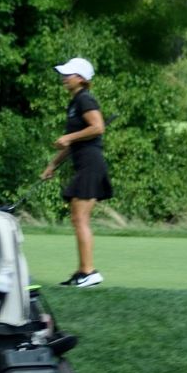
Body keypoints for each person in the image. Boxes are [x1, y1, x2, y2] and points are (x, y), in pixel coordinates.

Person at [40, 56, 110, 288]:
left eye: (68, 74)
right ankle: (83, 272)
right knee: (78, 218)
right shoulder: (74, 103)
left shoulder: (85, 99)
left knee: (79, 218)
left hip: (91, 163)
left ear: (80, 79)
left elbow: (97, 127)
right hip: (84, 162)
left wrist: (69, 137)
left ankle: (89, 272)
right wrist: (52, 165)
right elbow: (73, 143)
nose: (63, 78)